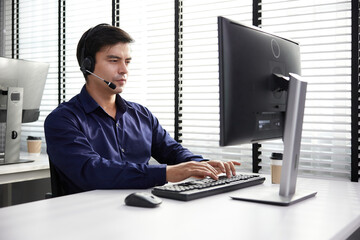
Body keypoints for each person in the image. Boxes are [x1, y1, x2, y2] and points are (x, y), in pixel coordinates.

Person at [44, 23, 240, 195]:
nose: (124, 70)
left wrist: (203, 165)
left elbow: (173, 152)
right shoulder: (63, 120)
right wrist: (166, 173)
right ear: (87, 65)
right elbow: (92, 171)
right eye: (114, 61)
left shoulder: (141, 115)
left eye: (127, 62)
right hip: (85, 217)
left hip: (139, 210)